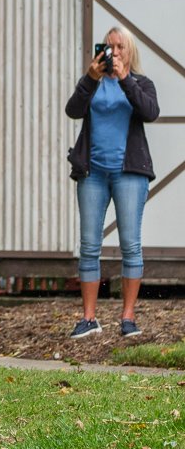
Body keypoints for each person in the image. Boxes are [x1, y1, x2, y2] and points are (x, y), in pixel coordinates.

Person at [65, 27, 159, 338]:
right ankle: (89, 319)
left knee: (130, 245)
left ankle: (128, 318)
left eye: (120, 47)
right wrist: (91, 78)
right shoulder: (93, 83)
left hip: (129, 173)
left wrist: (124, 79)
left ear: (130, 51)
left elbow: (149, 112)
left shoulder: (140, 83)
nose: (113, 52)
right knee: (89, 246)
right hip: (93, 174)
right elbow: (73, 110)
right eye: (109, 46)